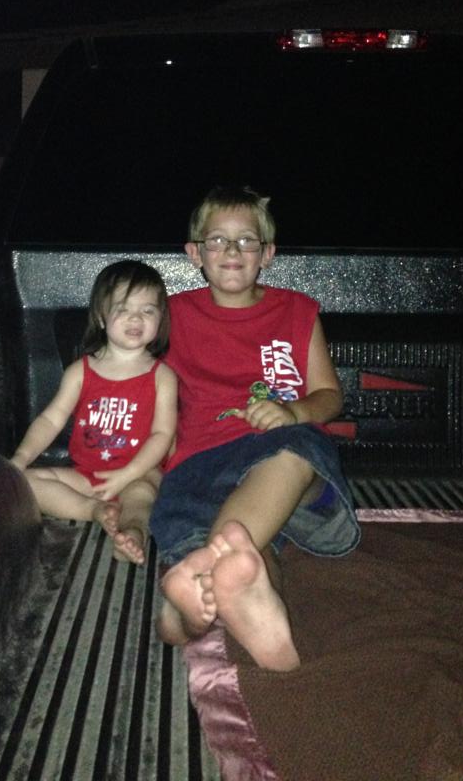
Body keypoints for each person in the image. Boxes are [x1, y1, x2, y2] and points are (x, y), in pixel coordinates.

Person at [150, 185, 360, 670]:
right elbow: (134, 384)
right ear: (194, 253)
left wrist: (293, 413)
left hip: (285, 465)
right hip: (202, 465)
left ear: (267, 253)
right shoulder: (172, 316)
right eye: (217, 240)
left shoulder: (296, 311)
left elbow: (329, 396)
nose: (232, 250)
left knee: (295, 452)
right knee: (251, 560)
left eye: (246, 240)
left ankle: (189, 595)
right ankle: (214, 608)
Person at [11, 260, 177, 565]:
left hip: (139, 472)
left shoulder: (162, 377)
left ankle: (132, 534)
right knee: (26, 483)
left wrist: (128, 474)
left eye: (147, 310)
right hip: (87, 476)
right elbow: (50, 419)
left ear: (160, 320)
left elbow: (162, 435)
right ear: (101, 316)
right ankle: (94, 511)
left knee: (141, 498)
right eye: (123, 309)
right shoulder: (80, 371)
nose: (135, 318)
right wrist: (20, 459)